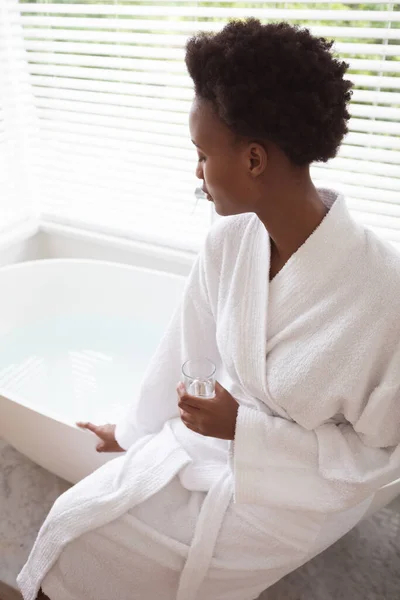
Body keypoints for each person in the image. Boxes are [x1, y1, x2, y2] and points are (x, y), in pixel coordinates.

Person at [19, 19, 400, 600]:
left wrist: (244, 430)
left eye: (201, 155)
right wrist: (130, 430)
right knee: (72, 520)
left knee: (125, 565)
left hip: (289, 498)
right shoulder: (229, 244)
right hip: (207, 450)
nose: (197, 174)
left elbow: (379, 455)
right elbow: (185, 348)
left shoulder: (381, 294)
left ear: (253, 160)